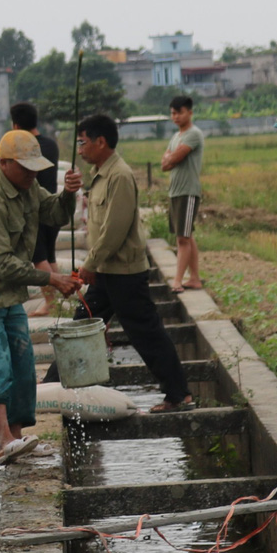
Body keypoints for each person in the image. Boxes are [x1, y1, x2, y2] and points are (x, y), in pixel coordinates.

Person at [0, 132, 82, 462]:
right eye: (25, 168)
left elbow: (55, 214)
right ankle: (3, 440)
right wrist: (51, 278)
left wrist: (69, 193)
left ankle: (18, 440)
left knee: (22, 365)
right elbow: (3, 264)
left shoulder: (28, 188)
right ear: (3, 163)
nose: (32, 174)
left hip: (7, 293)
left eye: (35, 169)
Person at [74, 116, 191, 412]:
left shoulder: (119, 176)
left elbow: (114, 229)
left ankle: (178, 395)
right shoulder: (100, 174)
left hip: (123, 272)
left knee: (145, 332)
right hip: (106, 272)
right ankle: (59, 387)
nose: (79, 149)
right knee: (81, 325)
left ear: (101, 142)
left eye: (82, 142)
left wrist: (89, 263)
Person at [10, 103, 65, 312]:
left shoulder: (27, 147)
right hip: (53, 207)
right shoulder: (51, 144)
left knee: (39, 257)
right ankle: (59, 300)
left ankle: (51, 303)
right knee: (49, 256)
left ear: (16, 125)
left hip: (35, 210)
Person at [163, 95, 205, 291]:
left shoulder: (193, 134)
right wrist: (170, 159)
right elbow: (165, 163)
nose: (175, 117)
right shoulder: (176, 137)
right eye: (172, 113)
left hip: (187, 191)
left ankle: (178, 281)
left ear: (190, 112)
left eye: (179, 112)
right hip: (175, 191)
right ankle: (194, 278)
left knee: (182, 238)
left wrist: (170, 158)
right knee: (186, 236)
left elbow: (175, 158)